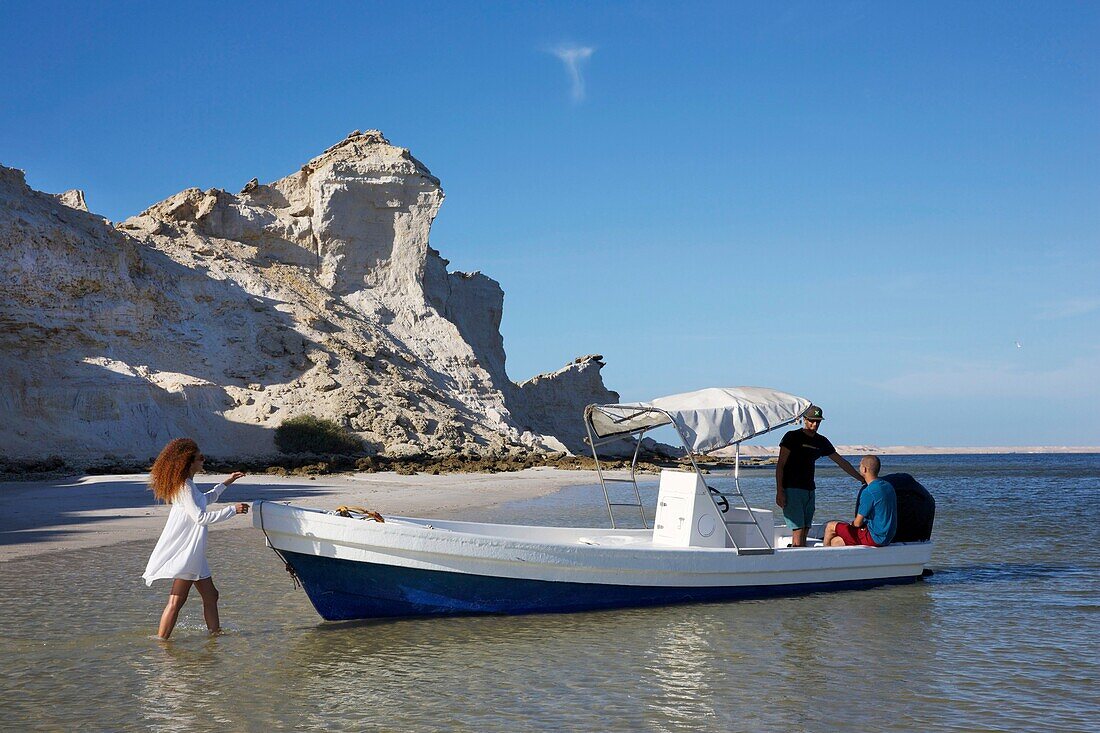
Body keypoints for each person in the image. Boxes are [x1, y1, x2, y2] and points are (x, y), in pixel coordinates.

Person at [141, 438, 248, 639]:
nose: (203, 460)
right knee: (176, 601)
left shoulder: (189, 485)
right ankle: (161, 642)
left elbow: (204, 500)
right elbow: (200, 518)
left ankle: (214, 637)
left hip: (194, 552)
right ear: (189, 461)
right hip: (187, 552)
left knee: (211, 596)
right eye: (200, 457)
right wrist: (232, 510)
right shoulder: (185, 487)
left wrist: (226, 482)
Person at [776, 405, 862, 547]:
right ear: (804, 419)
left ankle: (802, 560)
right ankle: (798, 561)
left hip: (810, 490)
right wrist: (780, 491)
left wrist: (861, 479)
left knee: (805, 528)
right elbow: (780, 465)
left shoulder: (821, 441)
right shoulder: (792, 437)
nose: (815, 424)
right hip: (792, 489)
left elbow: (841, 462)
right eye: (812, 421)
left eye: (818, 422)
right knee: (798, 529)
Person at [823, 455, 897, 547]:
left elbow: (857, 523)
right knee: (836, 541)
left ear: (864, 469)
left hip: (875, 537)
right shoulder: (888, 486)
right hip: (888, 537)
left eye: (860, 466)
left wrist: (850, 524)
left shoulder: (869, 491)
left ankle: (822, 556)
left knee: (830, 526)